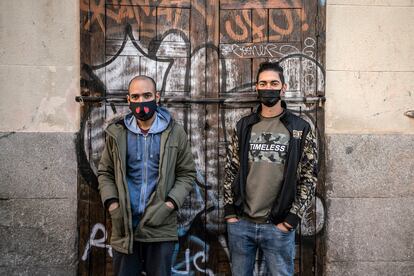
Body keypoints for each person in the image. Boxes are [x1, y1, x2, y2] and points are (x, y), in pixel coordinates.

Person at [223, 61, 318, 276]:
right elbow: (231, 169)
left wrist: (291, 219)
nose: (268, 88)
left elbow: (309, 177)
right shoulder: (244, 125)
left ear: (283, 88)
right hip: (242, 224)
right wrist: (230, 213)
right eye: (263, 83)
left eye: (274, 83)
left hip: (278, 226)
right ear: (257, 87)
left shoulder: (300, 128)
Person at [98, 75, 196, 276]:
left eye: (147, 95)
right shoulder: (117, 134)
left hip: (160, 229)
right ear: (129, 100)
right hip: (125, 228)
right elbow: (105, 172)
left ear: (157, 97)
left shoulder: (175, 132)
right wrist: (113, 206)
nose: (141, 102)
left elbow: (186, 174)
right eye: (136, 97)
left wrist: (169, 205)